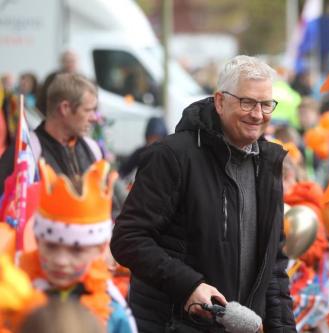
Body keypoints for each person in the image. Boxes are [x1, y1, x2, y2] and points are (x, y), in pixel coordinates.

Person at [111, 55, 297, 332]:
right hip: (172, 324)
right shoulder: (172, 156)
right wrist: (188, 285)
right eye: (247, 102)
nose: (258, 114)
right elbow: (128, 238)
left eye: (265, 104)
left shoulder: (268, 164)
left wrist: (284, 329)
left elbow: (273, 268)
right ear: (220, 101)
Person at [19, 159, 137, 333]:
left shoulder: (113, 313)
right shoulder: (17, 297)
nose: (61, 260)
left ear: (100, 248)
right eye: (51, 246)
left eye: (76, 250)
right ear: (37, 241)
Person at [32, 72, 102, 191]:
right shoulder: (30, 149)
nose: (95, 118)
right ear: (65, 108)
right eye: (88, 110)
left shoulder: (91, 148)